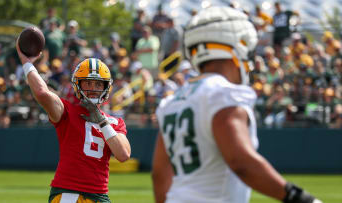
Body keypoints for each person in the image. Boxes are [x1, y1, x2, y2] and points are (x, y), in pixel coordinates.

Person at [152, 6, 322, 203]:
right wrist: (299, 197)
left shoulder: (173, 100)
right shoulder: (223, 94)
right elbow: (240, 162)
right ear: (236, 49)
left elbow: (160, 175)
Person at [16, 39, 131, 203]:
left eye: (98, 84)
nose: (92, 89)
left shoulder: (115, 122)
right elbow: (42, 93)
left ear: (106, 87)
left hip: (99, 196)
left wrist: (101, 121)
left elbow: (123, 154)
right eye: (88, 83)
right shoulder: (67, 111)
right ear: (78, 85)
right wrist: (27, 63)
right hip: (68, 193)